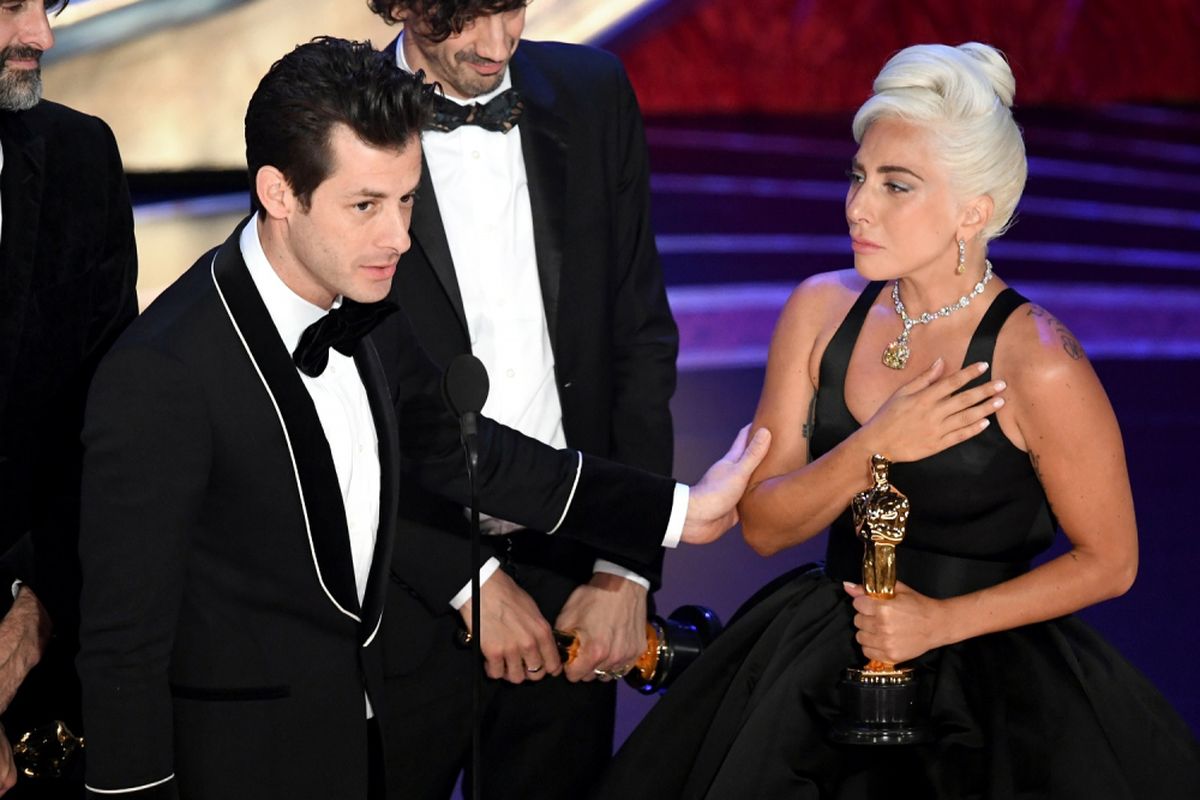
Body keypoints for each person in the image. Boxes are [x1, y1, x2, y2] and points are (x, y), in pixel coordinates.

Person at [75, 36, 766, 800]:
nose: (398, 237)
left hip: (370, 749)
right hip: (240, 770)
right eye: (365, 205)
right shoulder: (162, 373)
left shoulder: (371, 313)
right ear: (278, 193)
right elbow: (121, 649)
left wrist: (678, 513)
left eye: (407, 200)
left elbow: (477, 458)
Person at [597, 42, 1200, 798]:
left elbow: (1112, 561)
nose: (858, 206)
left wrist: (940, 624)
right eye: (858, 177)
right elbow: (765, 525)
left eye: (896, 186)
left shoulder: (1040, 360)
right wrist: (876, 443)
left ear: (972, 212)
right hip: (813, 660)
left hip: (993, 683)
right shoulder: (819, 309)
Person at [364, 1, 677, 796]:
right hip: (405, 580)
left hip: (574, 577)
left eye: (512, 9)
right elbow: (329, 402)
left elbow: (638, 337)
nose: (497, 44)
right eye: (462, 19)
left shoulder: (593, 89)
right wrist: (461, 578)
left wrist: (624, 566)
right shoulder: (334, 113)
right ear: (401, 5)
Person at [0, 0, 137, 796]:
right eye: (11, 7)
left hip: (52, 673)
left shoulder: (82, 155)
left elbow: (108, 427)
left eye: (46, 5)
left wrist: (33, 606)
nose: (41, 37)